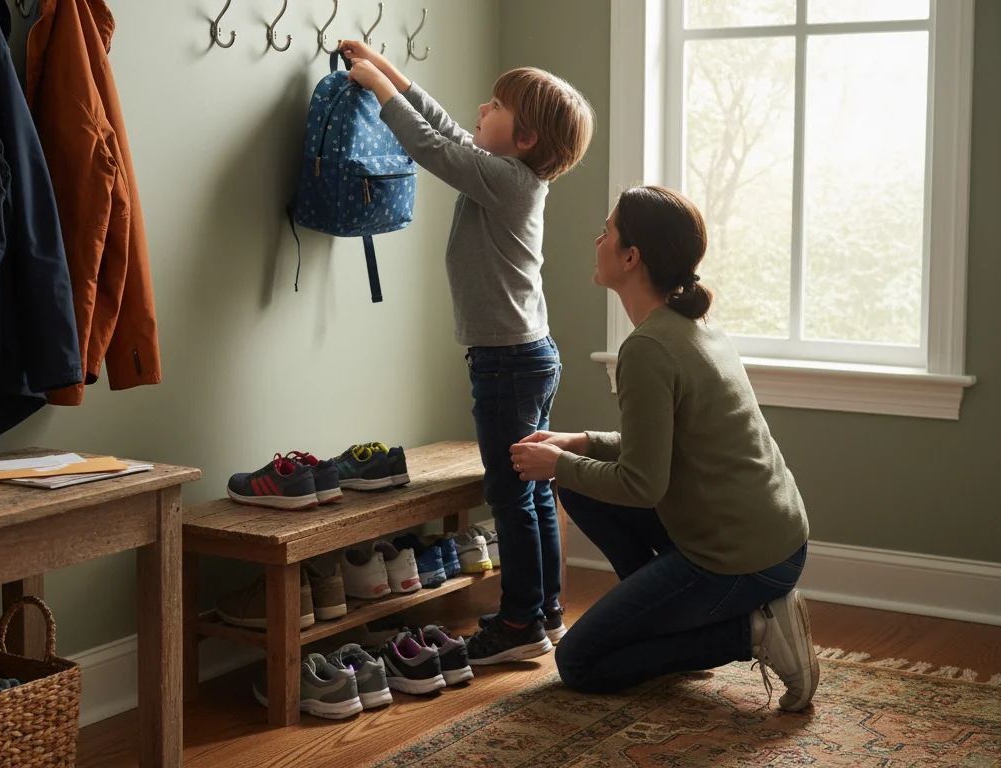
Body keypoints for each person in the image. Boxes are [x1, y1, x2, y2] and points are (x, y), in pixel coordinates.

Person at [510, 185, 818, 710]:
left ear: (631, 257)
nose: (597, 238)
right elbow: (669, 448)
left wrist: (558, 461)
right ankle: (681, 625)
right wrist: (581, 443)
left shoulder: (648, 348)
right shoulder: (693, 327)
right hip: (774, 537)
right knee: (580, 488)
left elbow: (642, 482)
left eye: (606, 231)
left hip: (743, 558)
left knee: (579, 662)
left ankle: (752, 632)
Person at [341, 41, 595, 665]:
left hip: (507, 363)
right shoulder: (507, 171)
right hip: (524, 356)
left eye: (497, 104)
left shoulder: (506, 180)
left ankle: (516, 625)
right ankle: (543, 613)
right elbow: (451, 130)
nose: (481, 107)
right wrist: (392, 72)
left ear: (525, 138)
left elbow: (431, 148)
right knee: (531, 491)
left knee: (512, 494)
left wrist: (379, 90)